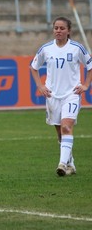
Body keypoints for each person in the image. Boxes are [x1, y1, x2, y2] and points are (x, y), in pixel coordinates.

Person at [30, 16, 92, 177]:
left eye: (62, 28)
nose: (58, 31)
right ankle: (71, 164)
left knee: (66, 127)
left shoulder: (77, 48)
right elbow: (33, 67)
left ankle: (62, 164)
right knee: (60, 133)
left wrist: (85, 85)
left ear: (69, 31)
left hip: (71, 94)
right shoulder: (46, 48)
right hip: (52, 96)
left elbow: (90, 66)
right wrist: (40, 85)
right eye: (56, 28)